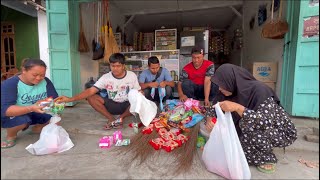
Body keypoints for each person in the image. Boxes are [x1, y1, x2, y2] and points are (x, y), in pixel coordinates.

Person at [205, 63, 297, 174]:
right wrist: (209, 120)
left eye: (222, 84)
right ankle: (251, 148)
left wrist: (238, 108)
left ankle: (265, 157)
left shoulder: (260, 90)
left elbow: (265, 122)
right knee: (232, 145)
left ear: (231, 80)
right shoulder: (226, 91)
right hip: (251, 129)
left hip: (277, 130)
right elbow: (213, 108)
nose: (220, 88)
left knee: (246, 125)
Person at [55, 53, 141, 130]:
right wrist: (70, 99)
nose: (115, 69)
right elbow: (91, 91)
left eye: (118, 66)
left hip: (127, 106)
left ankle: (120, 119)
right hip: (112, 104)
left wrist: (140, 96)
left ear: (123, 66)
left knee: (140, 97)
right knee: (91, 97)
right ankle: (111, 119)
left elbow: (138, 91)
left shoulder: (131, 75)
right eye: (112, 66)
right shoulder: (106, 77)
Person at [1, 58, 58, 148]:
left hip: (36, 111)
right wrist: (31, 108)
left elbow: (53, 98)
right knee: (22, 121)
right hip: (16, 114)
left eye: (42, 75)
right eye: (35, 75)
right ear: (24, 70)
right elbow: (6, 110)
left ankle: (37, 127)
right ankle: (11, 135)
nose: (39, 78)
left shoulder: (45, 81)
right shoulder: (10, 84)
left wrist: (56, 104)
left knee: (56, 118)